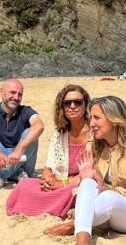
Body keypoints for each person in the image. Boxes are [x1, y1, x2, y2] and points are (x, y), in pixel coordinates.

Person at [48, 96, 126, 245]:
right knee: (89, 181)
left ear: (114, 119)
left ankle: (77, 225)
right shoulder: (95, 145)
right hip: (103, 214)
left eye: (96, 118)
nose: (91, 123)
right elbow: (92, 185)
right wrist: (86, 178)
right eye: (91, 118)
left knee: (109, 197)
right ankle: (82, 239)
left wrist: (111, 189)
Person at [7, 84, 90, 218]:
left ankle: (62, 205)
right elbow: (48, 166)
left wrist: (62, 184)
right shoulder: (60, 133)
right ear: (62, 107)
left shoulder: (94, 132)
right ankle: (60, 204)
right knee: (25, 184)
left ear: (85, 105)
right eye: (67, 103)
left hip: (81, 182)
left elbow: (94, 171)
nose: (72, 106)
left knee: (81, 190)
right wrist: (47, 179)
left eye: (78, 102)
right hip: (60, 181)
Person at [0, 78, 45, 193]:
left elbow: (39, 125)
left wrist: (19, 149)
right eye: (13, 93)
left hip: (23, 164)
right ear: (2, 92)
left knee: (30, 133)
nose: (16, 97)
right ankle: (15, 173)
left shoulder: (26, 111)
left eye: (20, 94)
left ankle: (0, 177)